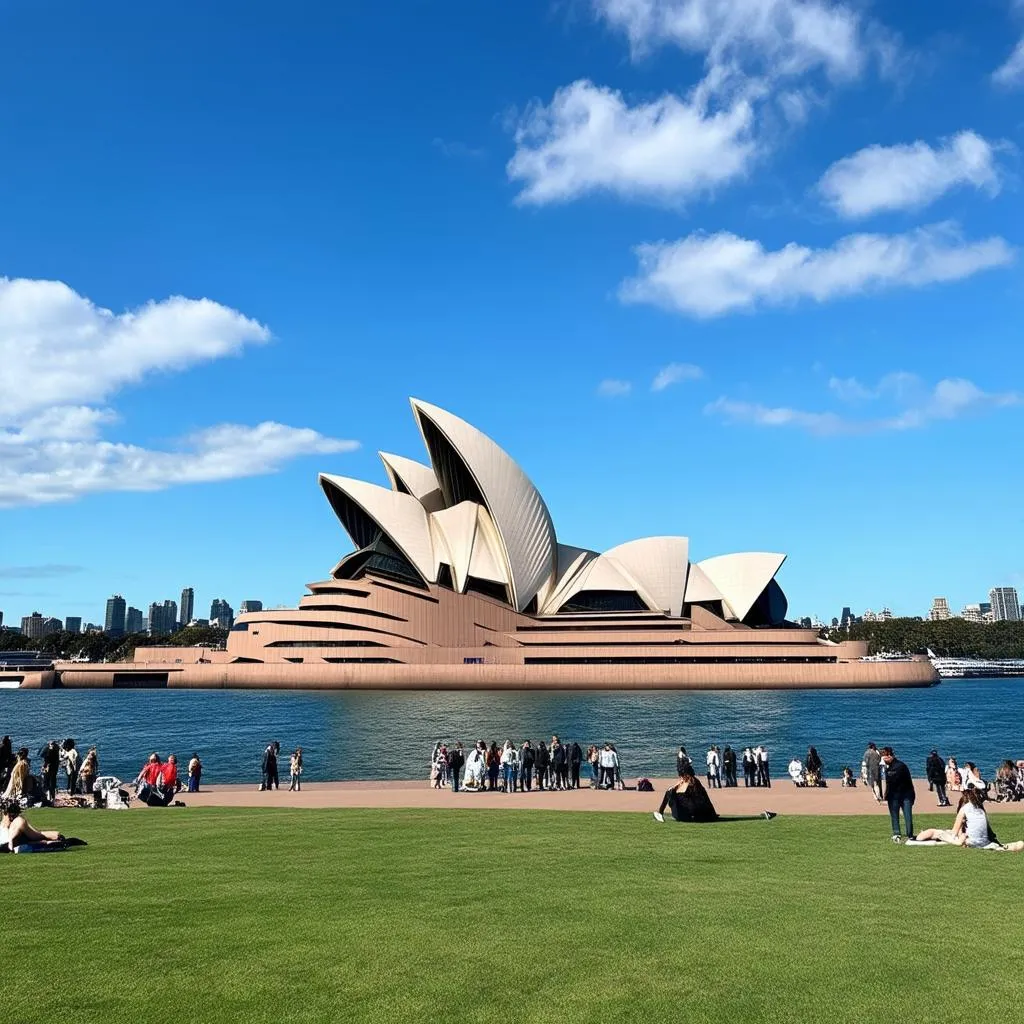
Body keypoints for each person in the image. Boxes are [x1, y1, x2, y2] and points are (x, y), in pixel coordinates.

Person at [915, 789, 1024, 851]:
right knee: (1019, 844)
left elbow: (953, 833)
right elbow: (987, 830)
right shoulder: (981, 810)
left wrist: (956, 835)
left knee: (934, 832)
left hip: (970, 841)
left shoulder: (964, 809)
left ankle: (919, 836)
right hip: (984, 842)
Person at [0, 798, 75, 852]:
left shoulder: (14, 822)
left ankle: (56, 837)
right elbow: (35, 835)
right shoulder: (17, 821)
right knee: (40, 838)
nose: (12, 817)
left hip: (14, 841)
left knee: (41, 838)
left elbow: (35, 835)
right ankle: (56, 837)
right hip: (13, 841)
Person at [880, 746, 915, 842]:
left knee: (907, 815)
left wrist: (884, 770)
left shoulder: (899, 766)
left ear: (890, 756)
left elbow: (892, 779)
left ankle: (909, 834)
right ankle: (897, 833)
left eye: (885, 757)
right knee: (894, 815)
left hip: (905, 795)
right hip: (894, 796)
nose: (884, 759)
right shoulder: (890, 767)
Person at [41, 740, 60, 805]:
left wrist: (49, 749)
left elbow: (45, 757)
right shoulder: (56, 751)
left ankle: (49, 798)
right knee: (52, 783)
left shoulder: (51, 752)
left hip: (50, 769)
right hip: (53, 769)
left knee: (48, 783)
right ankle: (52, 798)